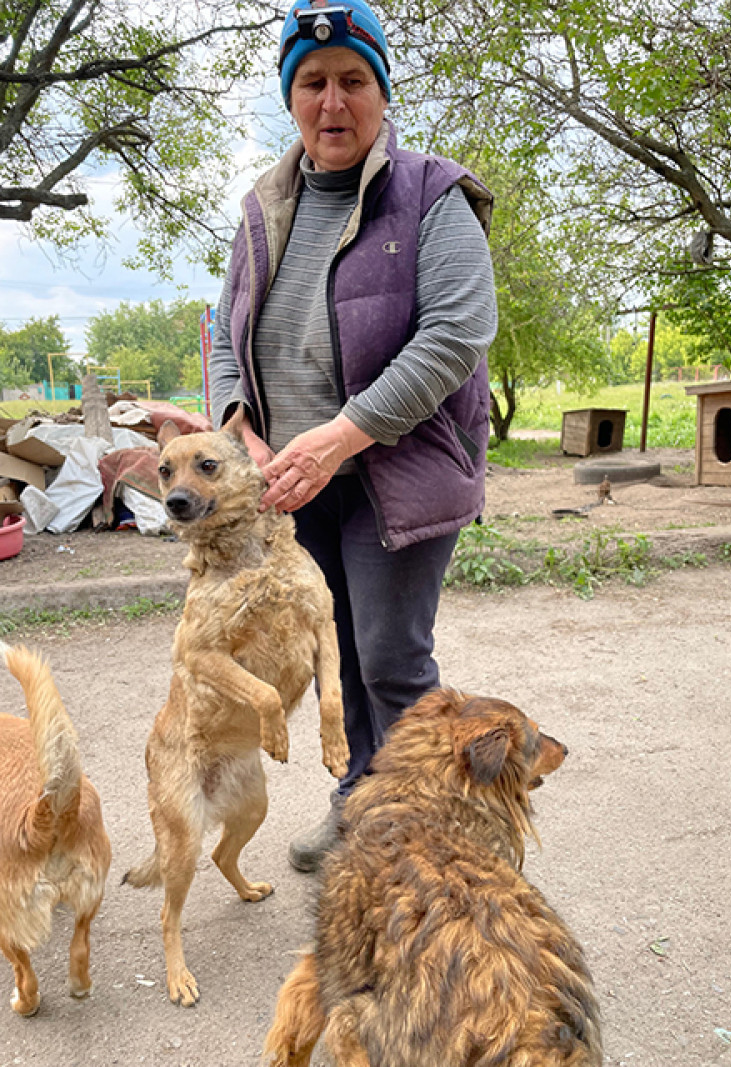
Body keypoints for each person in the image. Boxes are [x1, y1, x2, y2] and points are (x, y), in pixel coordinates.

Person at [208, 0, 498, 872]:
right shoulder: (262, 208)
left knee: (389, 659)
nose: (333, 102)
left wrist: (343, 435)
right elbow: (222, 331)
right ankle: (361, 806)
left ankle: (432, 832)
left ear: (379, 89)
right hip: (297, 484)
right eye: (312, 83)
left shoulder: (431, 193)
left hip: (395, 473)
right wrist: (240, 430)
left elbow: (454, 334)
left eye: (352, 81)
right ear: (291, 97)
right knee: (334, 653)